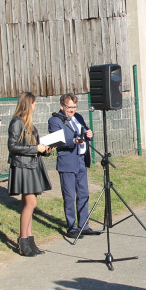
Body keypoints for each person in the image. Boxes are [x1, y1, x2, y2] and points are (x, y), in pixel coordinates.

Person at [48, 93, 100, 239]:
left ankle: (84, 226)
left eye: (74, 107)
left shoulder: (78, 118)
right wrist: (73, 141)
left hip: (81, 161)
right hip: (67, 163)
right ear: (62, 106)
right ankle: (71, 227)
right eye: (69, 107)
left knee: (84, 194)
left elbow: (85, 131)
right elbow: (56, 141)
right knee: (70, 196)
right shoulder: (55, 121)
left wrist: (90, 133)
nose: (72, 110)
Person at [8, 92, 53, 257]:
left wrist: (46, 150)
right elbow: (12, 147)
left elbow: (35, 146)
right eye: (34, 103)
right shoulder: (16, 123)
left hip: (32, 165)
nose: (35, 106)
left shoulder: (31, 125)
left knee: (29, 204)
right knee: (31, 203)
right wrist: (35, 149)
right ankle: (23, 241)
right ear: (28, 104)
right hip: (22, 167)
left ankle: (29, 241)